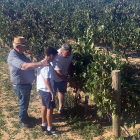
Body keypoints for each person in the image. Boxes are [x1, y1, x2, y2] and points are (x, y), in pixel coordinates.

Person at [7, 36, 49, 128]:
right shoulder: (13, 57)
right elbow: (25, 66)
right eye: (23, 46)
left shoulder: (20, 53)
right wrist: (42, 63)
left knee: (25, 102)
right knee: (23, 102)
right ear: (17, 46)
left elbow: (28, 62)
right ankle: (22, 120)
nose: (25, 47)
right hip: (20, 85)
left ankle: (25, 116)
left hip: (25, 84)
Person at [37, 47, 59, 135]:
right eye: (54, 57)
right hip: (47, 90)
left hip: (41, 89)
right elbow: (47, 81)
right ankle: (49, 129)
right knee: (50, 109)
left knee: (44, 106)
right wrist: (52, 93)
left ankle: (43, 124)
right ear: (51, 55)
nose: (54, 59)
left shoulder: (41, 63)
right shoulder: (48, 66)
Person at [51, 43, 77, 114]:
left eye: (69, 54)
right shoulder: (56, 58)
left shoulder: (70, 54)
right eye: (66, 55)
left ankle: (61, 109)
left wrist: (71, 75)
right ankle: (50, 111)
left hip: (63, 76)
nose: (68, 56)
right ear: (61, 51)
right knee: (52, 94)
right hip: (53, 78)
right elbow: (58, 73)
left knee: (62, 92)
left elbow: (70, 64)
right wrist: (70, 81)